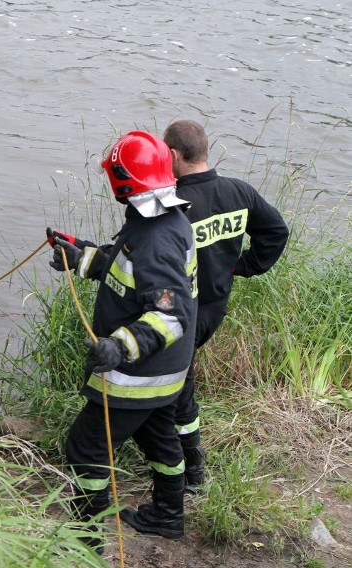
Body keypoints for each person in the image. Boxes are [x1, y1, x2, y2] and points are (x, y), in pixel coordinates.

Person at [48, 130, 198, 546]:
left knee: (85, 448)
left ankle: (85, 538)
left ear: (122, 181)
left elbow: (172, 316)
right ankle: (169, 515)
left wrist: (119, 346)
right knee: (162, 439)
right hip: (168, 374)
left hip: (138, 376)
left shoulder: (154, 238)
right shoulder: (163, 219)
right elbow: (128, 273)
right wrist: (81, 257)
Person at [163, 119, 289, 491]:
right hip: (214, 308)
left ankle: (191, 468)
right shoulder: (239, 192)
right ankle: (177, 455)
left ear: (173, 154)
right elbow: (276, 231)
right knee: (176, 378)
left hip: (181, 311)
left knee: (177, 383)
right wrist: (244, 266)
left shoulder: (175, 204)